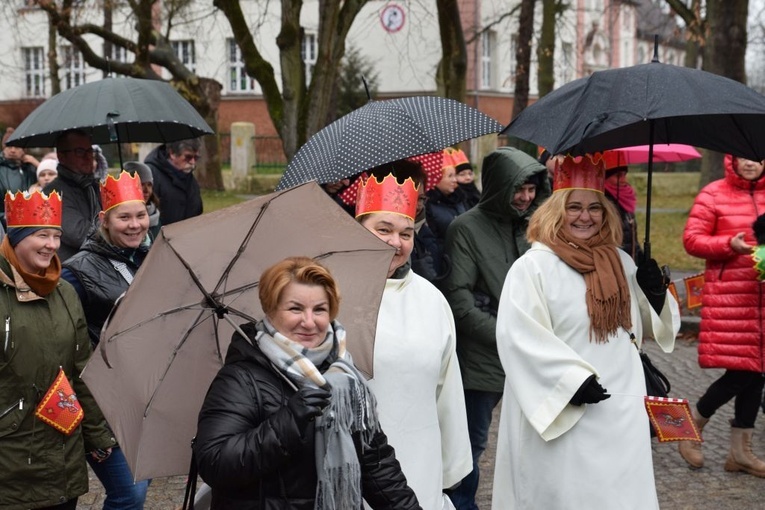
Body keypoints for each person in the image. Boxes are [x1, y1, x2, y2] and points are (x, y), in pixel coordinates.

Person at [490, 154, 680, 509]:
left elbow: (648, 325)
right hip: (565, 409)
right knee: (567, 493)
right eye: (574, 207)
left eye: (595, 207)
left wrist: (655, 293)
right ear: (555, 211)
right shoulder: (533, 267)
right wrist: (568, 382)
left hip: (620, 408)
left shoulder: (621, 261)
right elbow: (519, 337)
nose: (585, 216)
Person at [193, 256, 420, 510]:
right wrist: (289, 421)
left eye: (320, 309)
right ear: (270, 309)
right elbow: (216, 464)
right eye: (295, 309)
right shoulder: (241, 378)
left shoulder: (345, 376)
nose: (309, 322)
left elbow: (377, 466)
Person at [441, 146, 550, 510]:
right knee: (470, 443)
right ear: (500, 186)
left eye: (532, 189)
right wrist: (508, 336)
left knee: (536, 438)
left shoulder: (536, 224)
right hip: (483, 356)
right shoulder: (466, 228)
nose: (525, 197)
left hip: (533, 353)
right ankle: (460, 504)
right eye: (518, 188)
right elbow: (460, 300)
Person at [355, 172, 472, 510]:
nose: (396, 242)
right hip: (355, 458)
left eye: (406, 233)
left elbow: (447, 388)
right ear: (358, 227)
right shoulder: (333, 293)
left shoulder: (432, 300)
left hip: (419, 452)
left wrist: (451, 464)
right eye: (383, 229)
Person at [0, 189, 116, 510]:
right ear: (16, 237)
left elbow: (81, 369)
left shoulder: (64, 291)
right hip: (11, 457)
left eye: (56, 236)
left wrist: (96, 434)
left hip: (63, 453)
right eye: (41, 235)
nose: (52, 245)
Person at [61, 171, 151, 508]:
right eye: (123, 217)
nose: (134, 225)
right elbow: (69, 345)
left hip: (141, 395)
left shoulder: (148, 257)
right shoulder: (76, 272)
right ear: (104, 219)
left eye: (140, 215)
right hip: (102, 401)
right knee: (129, 493)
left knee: (138, 486)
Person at [679, 154, 765, 477]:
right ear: (731, 158)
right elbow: (691, 240)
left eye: (758, 156)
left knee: (757, 372)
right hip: (732, 299)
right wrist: (729, 244)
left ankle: (740, 454)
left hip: (763, 300)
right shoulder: (713, 193)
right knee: (742, 372)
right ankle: (692, 426)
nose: (751, 163)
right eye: (744, 156)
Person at [43, 129, 101, 262]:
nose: (88, 157)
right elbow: (80, 235)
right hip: (74, 270)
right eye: (80, 152)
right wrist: (116, 229)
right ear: (61, 157)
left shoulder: (95, 187)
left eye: (90, 151)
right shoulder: (53, 193)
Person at [144, 138, 203, 225]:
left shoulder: (188, 176)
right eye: (188, 157)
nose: (193, 162)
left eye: (196, 157)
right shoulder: (152, 174)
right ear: (172, 154)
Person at [0, 128, 38, 227]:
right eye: (9, 146)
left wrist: (38, 165)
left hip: (28, 222)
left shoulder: (30, 168)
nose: (12, 150)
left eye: (17, 147)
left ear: (23, 150)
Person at [604, 165, 643, 261]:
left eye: (624, 175)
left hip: (630, 262)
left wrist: (641, 258)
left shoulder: (624, 201)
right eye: (618, 176)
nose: (623, 180)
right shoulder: (602, 204)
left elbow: (631, 238)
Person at [124, 161, 161, 239]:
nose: (146, 190)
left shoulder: (154, 213)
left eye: (149, 185)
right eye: (141, 184)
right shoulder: (122, 219)